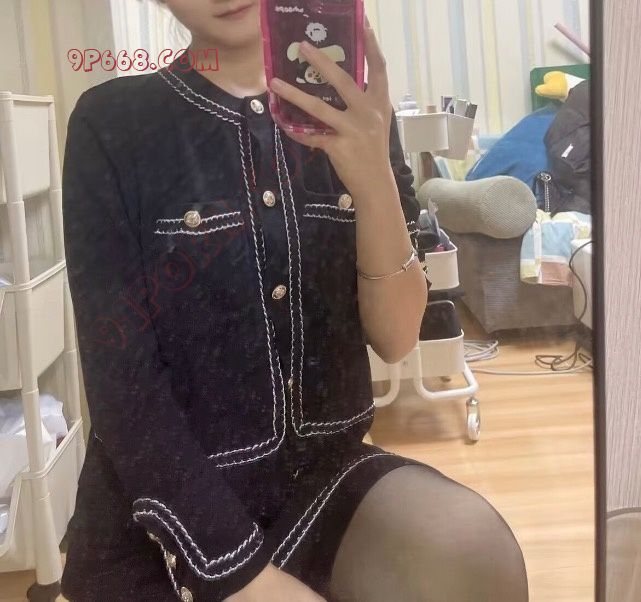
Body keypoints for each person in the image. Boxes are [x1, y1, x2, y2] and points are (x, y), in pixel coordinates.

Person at [60, 1, 528, 600]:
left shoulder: (357, 115)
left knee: (470, 555)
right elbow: (121, 385)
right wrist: (241, 576)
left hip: (320, 482)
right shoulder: (113, 124)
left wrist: (373, 176)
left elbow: (396, 337)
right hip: (161, 512)